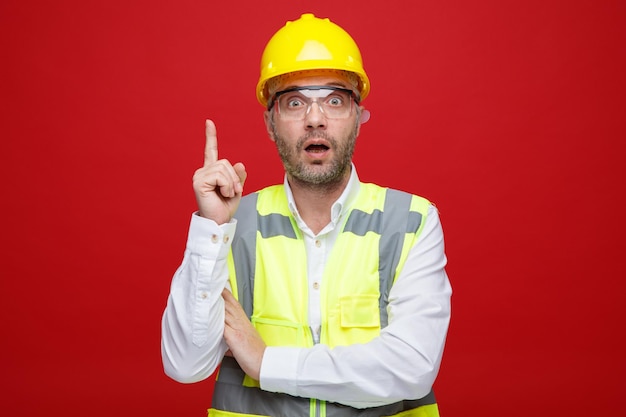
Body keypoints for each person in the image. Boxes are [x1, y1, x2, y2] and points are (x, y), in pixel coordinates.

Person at [161, 13, 452, 417]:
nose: (315, 118)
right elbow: (185, 364)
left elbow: (411, 368)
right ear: (271, 121)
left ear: (358, 117)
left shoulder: (412, 223)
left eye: (334, 99)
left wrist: (267, 363)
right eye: (295, 102)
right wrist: (212, 227)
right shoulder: (231, 228)